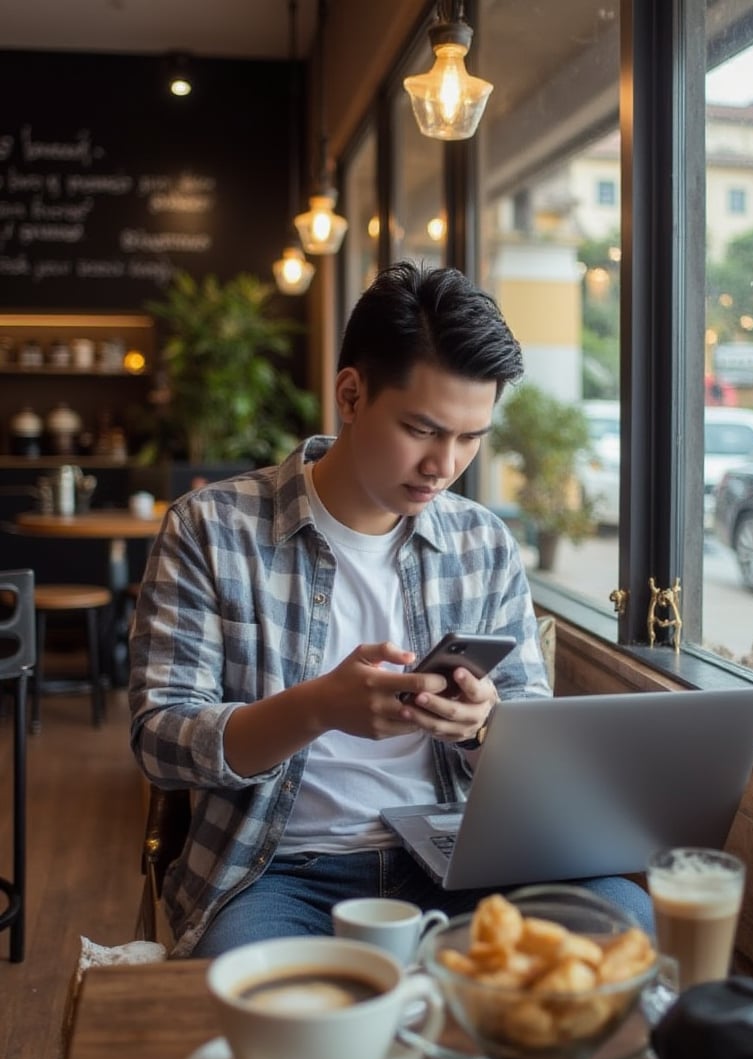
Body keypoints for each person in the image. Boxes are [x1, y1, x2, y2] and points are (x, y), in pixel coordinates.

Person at [129, 261, 651, 958]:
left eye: (471, 438)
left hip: (460, 859)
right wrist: (315, 708)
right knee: (277, 1015)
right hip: (280, 872)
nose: (446, 464)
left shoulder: (482, 541)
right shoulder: (210, 528)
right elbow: (160, 738)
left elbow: (527, 725)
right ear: (351, 393)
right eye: (424, 429)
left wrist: (480, 727)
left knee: (622, 921)